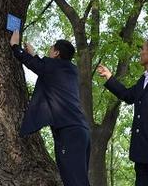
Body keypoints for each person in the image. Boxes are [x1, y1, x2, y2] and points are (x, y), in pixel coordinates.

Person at [9, 30, 90, 186]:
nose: (49, 50)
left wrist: (15, 46)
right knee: (78, 180)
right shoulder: (71, 71)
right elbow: (46, 68)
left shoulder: (53, 68)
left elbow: (35, 65)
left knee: (74, 181)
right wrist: (35, 55)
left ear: (56, 53)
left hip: (69, 133)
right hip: (82, 132)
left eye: (51, 48)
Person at [96, 36, 148, 186]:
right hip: (142, 154)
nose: (140, 52)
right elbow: (128, 96)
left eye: (143, 49)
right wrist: (109, 77)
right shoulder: (144, 80)